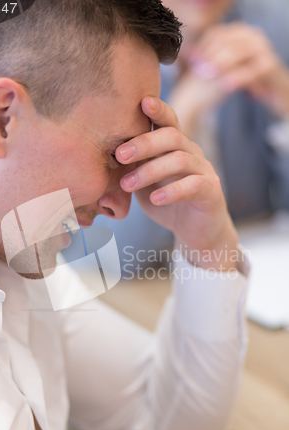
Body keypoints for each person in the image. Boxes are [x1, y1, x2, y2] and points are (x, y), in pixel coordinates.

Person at [0, 1, 248, 430]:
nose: (122, 204)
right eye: (115, 154)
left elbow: (170, 426)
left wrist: (207, 243)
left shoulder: (18, 266)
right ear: (2, 119)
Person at [98, 0, 289, 269]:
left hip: (257, 270)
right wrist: (181, 116)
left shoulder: (272, 23)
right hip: (148, 286)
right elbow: (107, 258)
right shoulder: (101, 43)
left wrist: (285, 102)